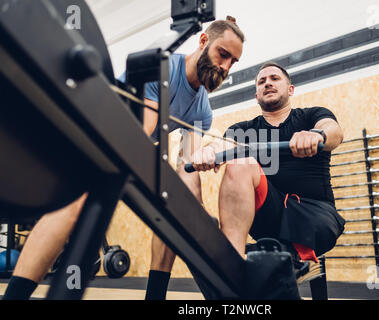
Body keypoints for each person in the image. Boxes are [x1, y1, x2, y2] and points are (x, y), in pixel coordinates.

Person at [2, 16, 244, 300]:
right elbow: (141, 136)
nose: (225, 67)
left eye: (233, 62)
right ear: (203, 41)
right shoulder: (162, 68)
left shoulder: (202, 111)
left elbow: (187, 167)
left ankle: (155, 296)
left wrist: (197, 208)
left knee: (179, 210)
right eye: (223, 54)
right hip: (86, 129)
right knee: (76, 202)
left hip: (122, 146)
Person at [190, 62, 346, 266]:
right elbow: (221, 145)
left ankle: (283, 255)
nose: (268, 84)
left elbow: (334, 131)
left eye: (275, 79)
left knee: (243, 161)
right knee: (240, 162)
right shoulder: (244, 129)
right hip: (266, 219)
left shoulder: (312, 116)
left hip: (314, 217)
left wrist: (316, 135)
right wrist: (208, 151)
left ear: (290, 89)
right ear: (256, 96)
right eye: (261, 82)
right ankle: (230, 264)